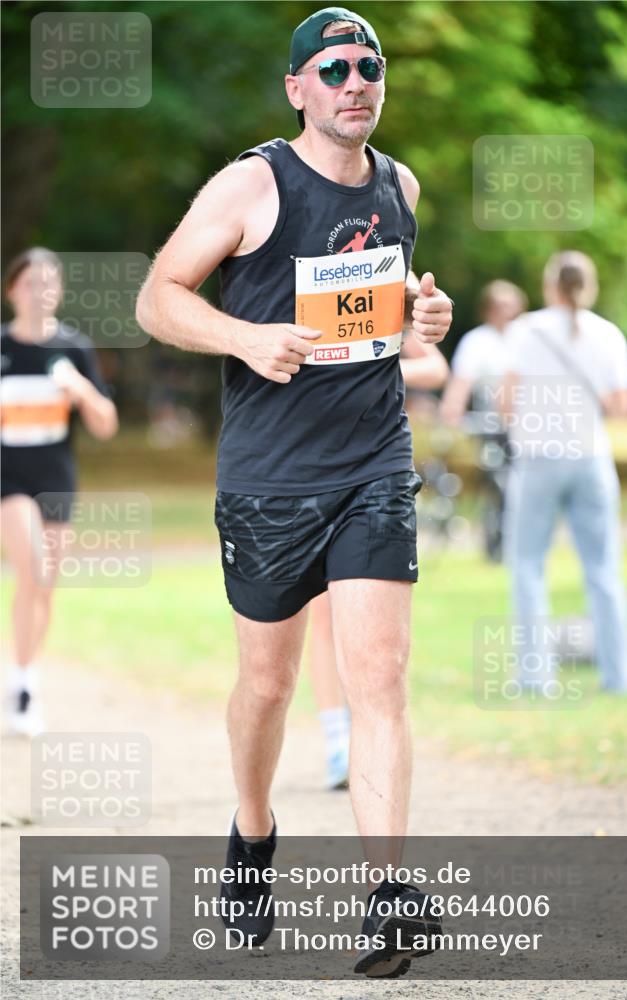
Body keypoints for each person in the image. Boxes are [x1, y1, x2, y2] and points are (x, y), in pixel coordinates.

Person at [136, 6, 452, 977]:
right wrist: (241, 337)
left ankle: (388, 898)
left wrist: (421, 318)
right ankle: (252, 829)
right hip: (270, 480)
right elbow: (158, 296)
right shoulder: (253, 183)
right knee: (267, 686)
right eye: (334, 67)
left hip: (371, 465)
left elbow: (378, 319)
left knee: (379, 680)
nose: (355, 80)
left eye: (370, 65)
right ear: (297, 87)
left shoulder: (398, 186)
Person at [310, 279, 448, 792]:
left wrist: (371, 361)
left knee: (371, 630)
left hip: (373, 466)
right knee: (320, 619)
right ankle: (335, 741)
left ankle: (368, 735)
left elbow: (435, 365)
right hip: (301, 465)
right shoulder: (286, 264)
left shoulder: (378, 273)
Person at [501, 250, 627, 695]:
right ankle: (619, 676)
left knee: (527, 567)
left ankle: (536, 677)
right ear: (590, 286)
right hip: (591, 457)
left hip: (538, 458)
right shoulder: (609, 335)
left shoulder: (525, 330)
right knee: (603, 570)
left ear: (549, 286)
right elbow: (622, 409)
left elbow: (506, 401)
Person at [1, 247, 118, 735]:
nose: (40, 291)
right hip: (8, 480)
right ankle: (24, 689)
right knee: (33, 564)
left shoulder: (73, 349)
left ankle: (24, 677)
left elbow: (106, 425)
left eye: (49, 282)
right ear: (12, 291)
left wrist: (80, 390)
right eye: (30, 282)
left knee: (44, 586)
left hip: (55, 480)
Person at [439, 281, 527, 560]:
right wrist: (451, 416)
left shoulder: (529, 338)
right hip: (492, 427)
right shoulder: (478, 341)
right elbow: (461, 385)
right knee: (499, 483)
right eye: (501, 306)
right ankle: (496, 545)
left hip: (527, 426)